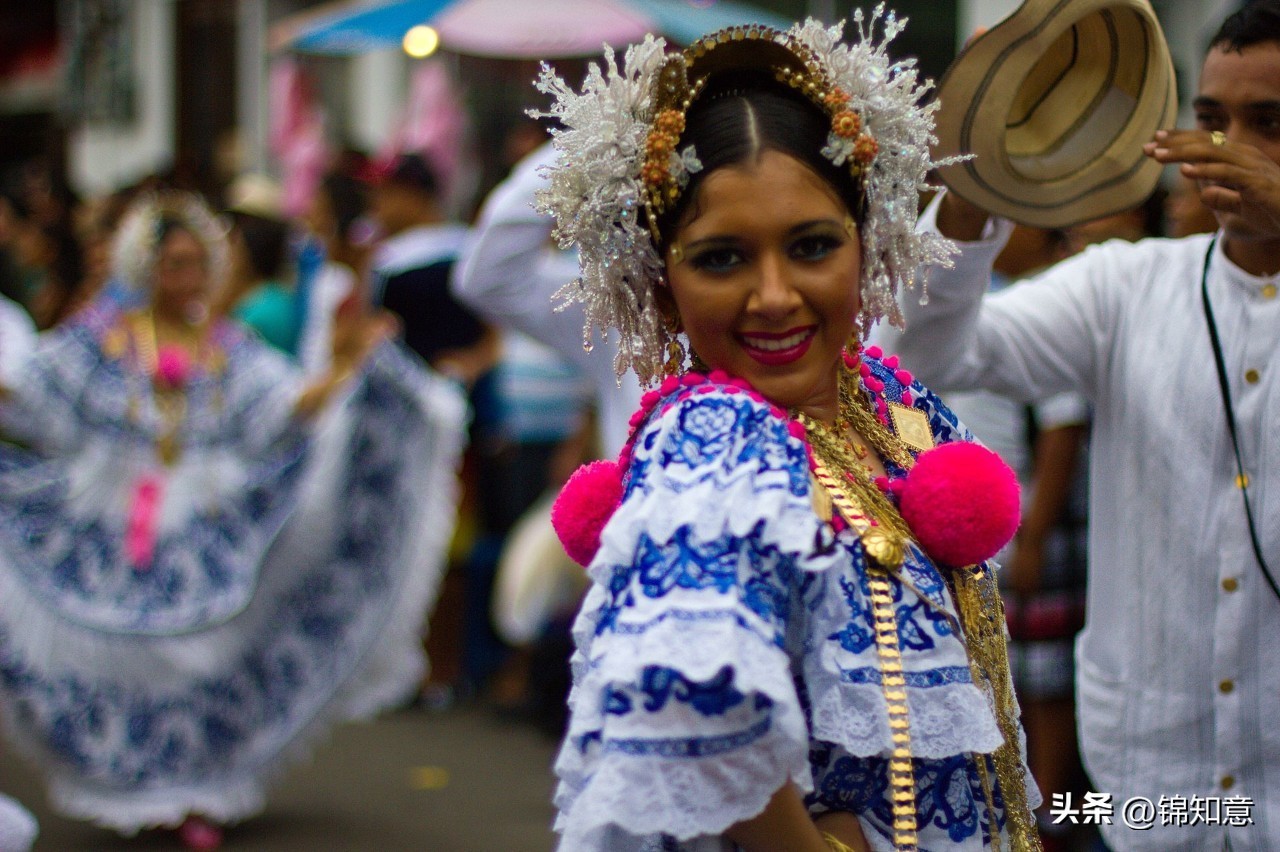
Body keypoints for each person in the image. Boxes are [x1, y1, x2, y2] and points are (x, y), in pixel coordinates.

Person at [535, 15, 1040, 851]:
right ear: (662, 287)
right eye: (722, 258)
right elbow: (690, 700)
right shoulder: (714, 434)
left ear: (865, 246)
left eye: (811, 246)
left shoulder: (888, 397)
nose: (774, 296)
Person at [894, 4, 1280, 849]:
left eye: (1269, 124)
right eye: (1211, 120)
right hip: (1151, 781)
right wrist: (972, 194)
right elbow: (925, 353)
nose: (1226, 149)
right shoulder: (1124, 287)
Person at [0, 192, 466, 849]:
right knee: (129, 661)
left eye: (194, 264)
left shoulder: (226, 349)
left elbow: (283, 409)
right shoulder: (100, 340)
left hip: (205, 519)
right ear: (145, 267)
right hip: (113, 515)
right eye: (171, 264)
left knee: (204, 656)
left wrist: (348, 373)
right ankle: (143, 786)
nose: (183, 278)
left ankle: (196, 791)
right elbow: (34, 393)